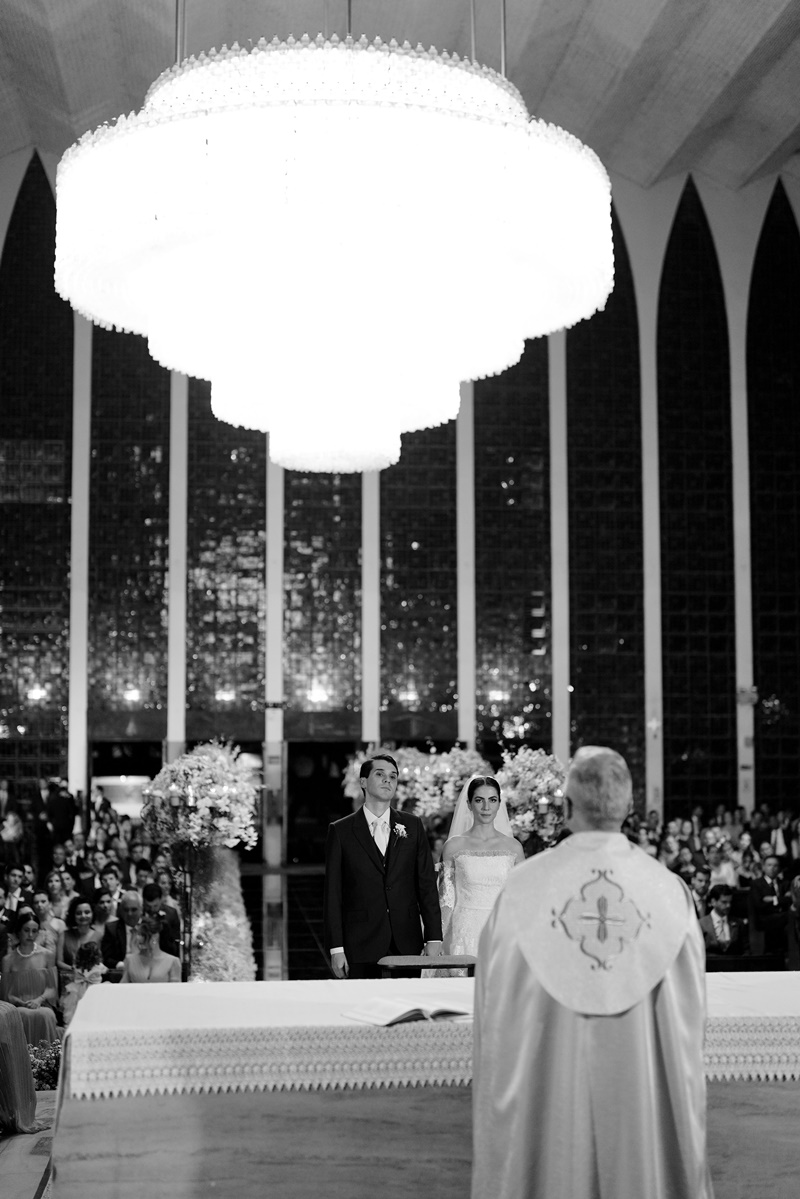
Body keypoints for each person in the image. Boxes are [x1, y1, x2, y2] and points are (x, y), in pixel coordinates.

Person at [471, 746, 713, 1199]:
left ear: (565, 808)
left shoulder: (524, 889)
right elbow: (688, 1029)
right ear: (629, 808)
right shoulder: (668, 894)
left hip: (548, 1108)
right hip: (638, 1111)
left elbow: (494, 1009)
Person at [324, 752, 442, 978]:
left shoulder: (412, 825)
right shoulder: (340, 831)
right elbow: (333, 894)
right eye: (380, 774)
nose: (388, 780)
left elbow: (426, 884)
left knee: (407, 1007)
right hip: (359, 941)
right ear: (363, 782)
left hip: (406, 939)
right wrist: (336, 948)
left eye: (393, 776)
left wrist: (434, 937)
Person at [438, 776, 523, 959]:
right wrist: (436, 940)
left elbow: (520, 898)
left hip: (502, 930)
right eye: (479, 800)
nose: (486, 807)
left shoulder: (514, 847)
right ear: (469, 804)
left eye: (492, 800)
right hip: (464, 930)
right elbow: (446, 899)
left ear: (499, 803)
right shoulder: (454, 846)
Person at [0, 911, 59, 1047]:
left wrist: (39, 1000)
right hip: (18, 1007)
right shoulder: (8, 960)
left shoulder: (47, 955)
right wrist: (20, 1002)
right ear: (18, 931)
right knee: (21, 1014)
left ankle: (47, 1062)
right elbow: (6, 994)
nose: (31, 935)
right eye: (26, 930)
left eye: (34, 931)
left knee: (46, 1015)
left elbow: (52, 988)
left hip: (42, 1005)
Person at [120, 913, 181, 983]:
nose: (138, 938)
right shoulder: (130, 960)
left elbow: (175, 991)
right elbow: (122, 988)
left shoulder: (173, 962)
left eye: (143, 935)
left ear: (155, 936)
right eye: (138, 934)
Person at [57, 895, 100, 980]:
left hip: (93, 980)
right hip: (68, 980)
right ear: (73, 915)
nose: (83, 916)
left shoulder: (99, 935)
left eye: (87, 912)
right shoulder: (64, 934)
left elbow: (100, 962)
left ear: (93, 914)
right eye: (78, 913)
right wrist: (73, 969)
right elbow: (59, 962)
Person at [699, 884, 747, 955]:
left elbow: (746, 949)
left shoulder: (738, 923)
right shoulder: (701, 924)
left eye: (730, 902)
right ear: (713, 902)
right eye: (724, 902)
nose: (728, 905)